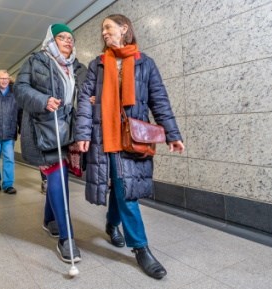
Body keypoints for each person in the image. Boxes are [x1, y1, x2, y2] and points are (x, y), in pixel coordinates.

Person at [74, 14, 185, 280]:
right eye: (102, 29)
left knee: (123, 187)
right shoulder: (98, 64)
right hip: (106, 136)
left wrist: (172, 133)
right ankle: (141, 248)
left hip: (133, 137)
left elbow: (159, 99)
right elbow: (85, 103)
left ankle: (112, 224)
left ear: (124, 29)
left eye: (108, 27)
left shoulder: (145, 63)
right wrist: (83, 133)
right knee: (125, 189)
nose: (104, 32)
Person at [14, 23, 86, 263]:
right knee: (59, 177)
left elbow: (86, 91)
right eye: (62, 37)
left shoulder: (77, 67)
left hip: (68, 130)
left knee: (59, 176)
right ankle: (67, 238)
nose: (68, 41)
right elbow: (21, 90)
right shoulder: (36, 61)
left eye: (70, 38)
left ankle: (49, 219)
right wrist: (43, 100)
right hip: (43, 129)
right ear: (51, 41)